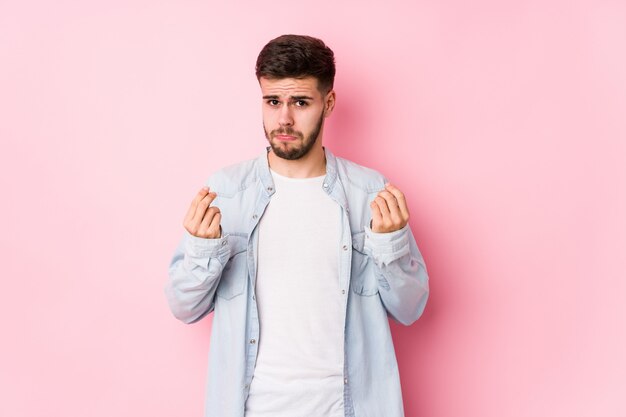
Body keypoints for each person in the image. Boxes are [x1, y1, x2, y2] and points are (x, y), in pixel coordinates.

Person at [165, 34, 429, 417]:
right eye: (273, 101)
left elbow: (410, 308)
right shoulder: (226, 192)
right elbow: (183, 306)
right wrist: (203, 252)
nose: (284, 119)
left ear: (329, 103)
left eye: (300, 102)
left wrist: (391, 246)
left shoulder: (370, 193)